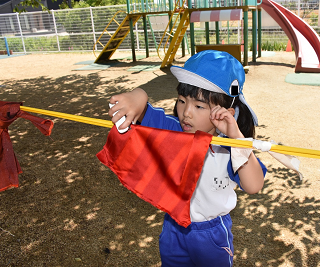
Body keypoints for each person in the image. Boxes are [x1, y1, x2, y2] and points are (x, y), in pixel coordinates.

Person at [108, 50, 266, 267]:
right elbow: (143, 110)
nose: (186, 113)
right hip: (173, 228)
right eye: (182, 101)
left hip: (211, 235)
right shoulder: (172, 131)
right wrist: (139, 95)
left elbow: (254, 185)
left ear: (224, 112)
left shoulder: (228, 147)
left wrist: (237, 138)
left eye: (199, 106)